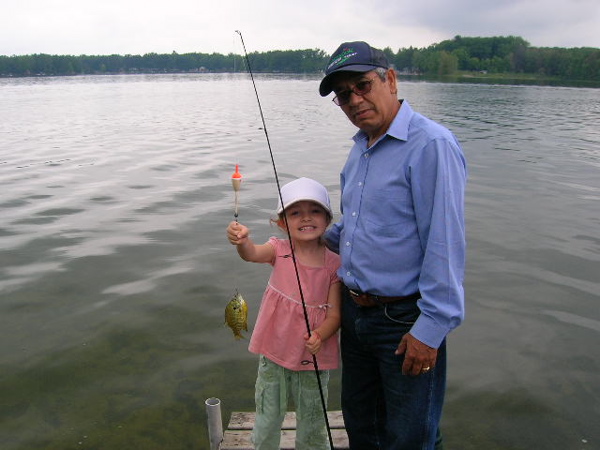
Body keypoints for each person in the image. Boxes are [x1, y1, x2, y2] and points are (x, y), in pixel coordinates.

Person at [319, 41, 467, 449]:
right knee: (362, 425)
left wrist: (430, 329)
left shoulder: (431, 145)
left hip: (405, 321)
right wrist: (310, 236)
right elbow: (358, 225)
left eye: (362, 85)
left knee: (410, 437)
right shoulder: (359, 149)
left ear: (391, 79)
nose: (354, 99)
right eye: (343, 95)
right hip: (355, 314)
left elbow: (445, 242)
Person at [226, 177, 342, 450]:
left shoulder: (335, 263)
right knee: (267, 417)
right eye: (295, 212)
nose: (306, 218)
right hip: (273, 354)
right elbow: (251, 253)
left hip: (313, 359)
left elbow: (336, 316)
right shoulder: (278, 250)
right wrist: (242, 240)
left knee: (313, 421)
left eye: (314, 211)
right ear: (281, 222)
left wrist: (320, 334)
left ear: (327, 219)